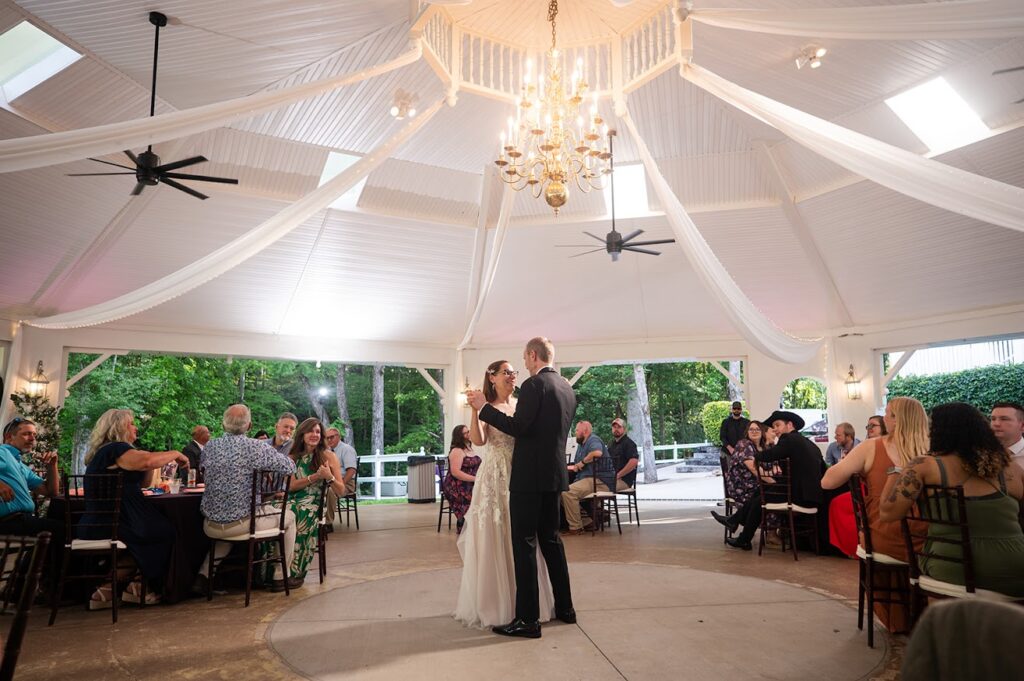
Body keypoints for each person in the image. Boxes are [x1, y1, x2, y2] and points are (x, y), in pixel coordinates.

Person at [467, 337, 577, 639]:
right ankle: (566, 608)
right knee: (552, 541)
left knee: (525, 544)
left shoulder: (533, 386)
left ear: (532, 355)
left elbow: (520, 428)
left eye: (524, 360)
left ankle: (528, 620)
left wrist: (483, 409)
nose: (522, 367)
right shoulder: (566, 387)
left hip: (528, 477)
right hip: (554, 475)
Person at [880, 402, 1024, 597]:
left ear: (939, 432)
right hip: (1016, 568)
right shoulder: (1010, 468)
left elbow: (888, 513)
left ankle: (943, 624)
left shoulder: (924, 466)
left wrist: (895, 469)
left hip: (955, 566)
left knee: (938, 576)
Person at [455, 359, 555, 629]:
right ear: (492, 377)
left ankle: (526, 604)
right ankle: (497, 604)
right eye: (506, 372)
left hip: (521, 470)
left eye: (514, 372)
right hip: (495, 475)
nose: (512, 376)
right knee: (496, 532)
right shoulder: (489, 407)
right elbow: (478, 441)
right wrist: (474, 412)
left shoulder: (521, 404)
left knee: (522, 536)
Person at [821, 397, 930, 632]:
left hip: (887, 536)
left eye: (887, 414)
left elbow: (827, 482)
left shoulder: (872, 447)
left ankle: (898, 616)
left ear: (894, 420)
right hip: (932, 542)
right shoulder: (935, 449)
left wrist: (859, 467)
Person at [81, 409, 189, 608]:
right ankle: (127, 586)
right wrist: (174, 453)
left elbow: (143, 481)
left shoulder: (108, 451)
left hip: (106, 517)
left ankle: (126, 587)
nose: (136, 427)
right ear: (119, 427)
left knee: (157, 529)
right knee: (167, 530)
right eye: (131, 423)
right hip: (113, 520)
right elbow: (146, 462)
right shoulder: (115, 448)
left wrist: (147, 461)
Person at [199, 404, 299, 593]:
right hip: (243, 523)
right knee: (290, 517)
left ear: (223, 424)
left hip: (210, 525)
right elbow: (289, 468)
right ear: (250, 425)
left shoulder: (210, 446)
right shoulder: (256, 447)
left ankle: (203, 576)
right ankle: (280, 576)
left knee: (226, 527)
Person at [712, 410, 823, 551]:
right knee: (761, 491)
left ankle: (742, 534)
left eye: (777, 425)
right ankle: (736, 526)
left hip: (799, 495)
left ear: (790, 425)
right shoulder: (808, 443)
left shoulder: (789, 439)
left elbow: (771, 455)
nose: (775, 429)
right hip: (812, 495)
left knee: (760, 499)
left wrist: (758, 457)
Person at [0, 418, 63, 588]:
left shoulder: (20, 464)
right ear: (9, 437)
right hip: (7, 521)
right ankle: (49, 586)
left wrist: (52, 466)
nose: (32, 438)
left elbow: (51, 492)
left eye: (34, 435)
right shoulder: (2, 452)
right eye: (26, 434)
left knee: (53, 530)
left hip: (21, 520)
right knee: (61, 531)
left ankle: (18, 587)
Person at [286, 417, 347, 584]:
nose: (314, 434)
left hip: (314, 502)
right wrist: (314, 477)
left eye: (318, 432)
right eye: (310, 431)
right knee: (274, 513)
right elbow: (290, 486)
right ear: (302, 434)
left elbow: (341, 491)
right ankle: (275, 572)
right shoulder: (292, 457)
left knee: (301, 513)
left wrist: (329, 477)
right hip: (292, 498)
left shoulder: (328, 456)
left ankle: (296, 572)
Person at [560, 421, 615, 534]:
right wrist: (574, 466)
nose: (575, 433)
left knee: (567, 493)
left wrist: (582, 463)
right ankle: (587, 522)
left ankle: (576, 528)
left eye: (576, 430)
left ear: (585, 431)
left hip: (599, 480)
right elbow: (576, 465)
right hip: (587, 479)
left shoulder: (593, 440)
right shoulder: (581, 445)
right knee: (560, 492)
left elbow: (597, 453)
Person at [722, 421, 768, 512]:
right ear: (747, 432)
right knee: (771, 494)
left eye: (757, 429)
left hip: (756, 485)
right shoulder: (744, 444)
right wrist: (773, 481)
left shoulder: (764, 447)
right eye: (751, 429)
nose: (754, 431)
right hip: (743, 487)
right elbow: (754, 468)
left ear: (762, 432)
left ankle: (735, 520)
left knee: (772, 494)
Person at [443, 425, 480, 533]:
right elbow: (456, 472)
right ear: (460, 436)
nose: (469, 433)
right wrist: (475, 479)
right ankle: (463, 523)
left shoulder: (469, 448)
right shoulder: (457, 451)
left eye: (469, 431)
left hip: (469, 482)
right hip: (457, 485)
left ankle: (477, 527)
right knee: (475, 496)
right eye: (466, 432)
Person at [324, 428, 358, 496]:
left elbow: (352, 470)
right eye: (327, 438)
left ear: (339, 437)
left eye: (332, 437)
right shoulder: (328, 451)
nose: (329, 440)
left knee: (330, 491)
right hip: (330, 481)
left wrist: (340, 484)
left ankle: (329, 506)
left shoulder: (347, 449)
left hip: (347, 483)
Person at [608, 418, 639, 492]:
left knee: (601, 488)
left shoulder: (629, 444)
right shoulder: (611, 444)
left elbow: (634, 462)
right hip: (610, 478)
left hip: (624, 481)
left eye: (619, 427)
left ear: (624, 429)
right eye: (614, 427)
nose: (616, 429)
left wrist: (618, 475)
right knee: (593, 486)